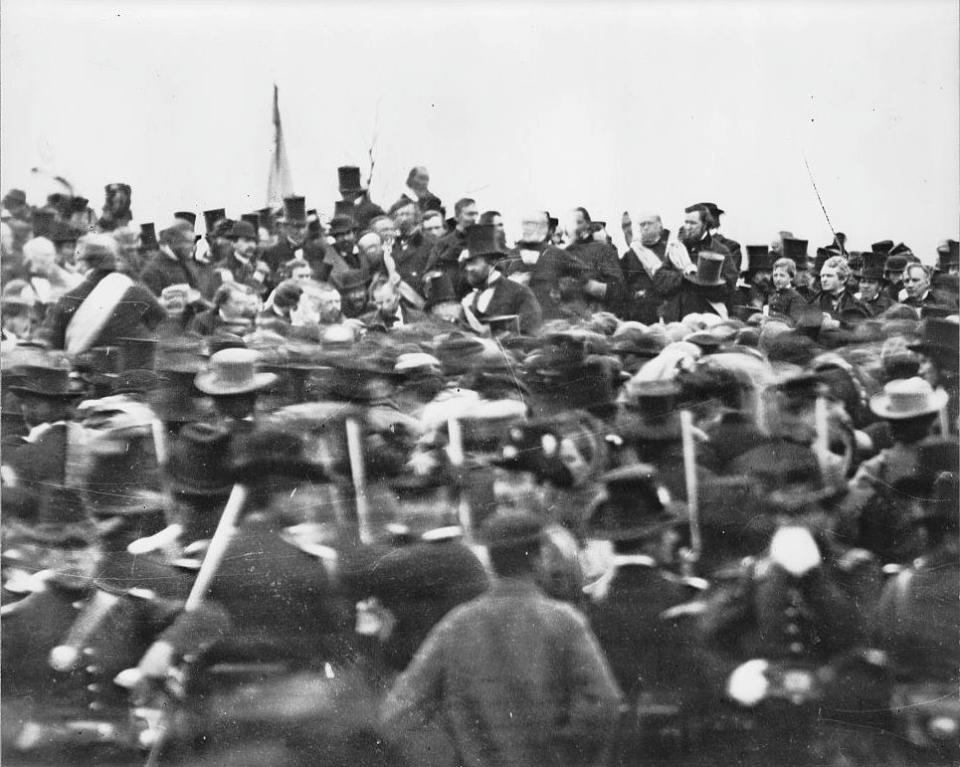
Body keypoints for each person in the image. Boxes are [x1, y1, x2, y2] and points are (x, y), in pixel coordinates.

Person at [380, 511, 623, 767]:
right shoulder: (564, 622)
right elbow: (604, 702)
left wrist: (453, 757)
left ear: (491, 564)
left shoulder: (457, 625)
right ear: (539, 559)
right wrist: (565, 755)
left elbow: (398, 712)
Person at [39, 234, 166, 354]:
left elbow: (55, 345)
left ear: (83, 264)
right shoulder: (136, 290)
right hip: (135, 367)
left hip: (88, 372)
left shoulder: (68, 300)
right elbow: (160, 318)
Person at [500, 210, 587, 321]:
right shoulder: (510, 256)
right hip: (519, 323)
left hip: (549, 323)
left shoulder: (556, 254)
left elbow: (586, 274)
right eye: (528, 224)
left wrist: (563, 289)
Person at [459, 223, 542, 334]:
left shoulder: (520, 293)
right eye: (466, 263)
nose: (468, 268)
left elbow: (531, 337)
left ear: (492, 262)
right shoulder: (470, 299)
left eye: (473, 262)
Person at [562, 207, 627, 314]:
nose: (573, 227)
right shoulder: (558, 254)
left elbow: (619, 290)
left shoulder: (602, 250)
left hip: (594, 316)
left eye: (578, 222)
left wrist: (590, 286)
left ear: (587, 226)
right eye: (569, 223)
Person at [619, 212, 671, 323]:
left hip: (661, 310)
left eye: (649, 223)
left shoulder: (669, 250)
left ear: (660, 226)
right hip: (636, 310)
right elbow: (621, 280)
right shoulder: (632, 253)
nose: (645, 227)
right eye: (642, 225)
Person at [424, 197, 479, 297]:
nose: (474, 218)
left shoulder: (483, 242)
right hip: (451, 298)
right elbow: (428, 275)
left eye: (476, 214)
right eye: (469, 214)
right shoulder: (443, 243)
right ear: (457, 217)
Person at [140, 220, 198, 296]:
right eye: (188, 242)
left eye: (193, 242)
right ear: (174, 242)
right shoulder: (152, 272)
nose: (193, 247)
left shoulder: (185, 263)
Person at [190, 281, 259, 336]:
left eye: (244, 302)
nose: (243, 307)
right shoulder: (202, 320)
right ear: (223, 304)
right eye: (238, 303)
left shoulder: (251, 318)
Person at [814, 255, 866, 326]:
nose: (824, 280)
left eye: (829, 276)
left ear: (843, 279)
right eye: (822, 276)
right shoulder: (814, 303)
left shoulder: (858, 306)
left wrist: (838, 325)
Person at [361, 274, 426, 331]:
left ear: (398, 295)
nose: (384, 306)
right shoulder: (366, 323)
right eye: (379, 303)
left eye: (388, 301)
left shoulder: (419, 318)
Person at [335, 165, 385, 230]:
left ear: (354, 193)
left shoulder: (373, 209)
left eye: (346, 193)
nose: (343, 196)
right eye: (342, 193)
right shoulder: (340, 209)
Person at [766, 256, 806, 323]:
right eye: (775, 275)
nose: (778, 279)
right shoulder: (773, 294)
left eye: (782, 275)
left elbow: (793, 322)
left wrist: (770, 319)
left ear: (791, 278)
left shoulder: (796, 298)